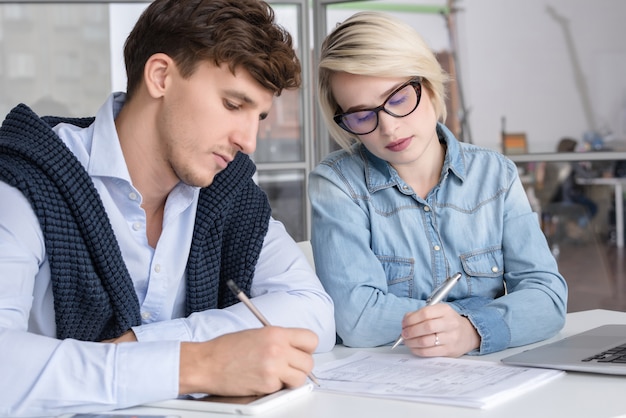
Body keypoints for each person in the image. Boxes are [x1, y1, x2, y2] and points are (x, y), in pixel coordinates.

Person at [0, 0, 335, 416]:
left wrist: (141, 347)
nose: (249, 142)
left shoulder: (226, 191)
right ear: (161, 76)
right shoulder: (25, 180)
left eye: (259, 116)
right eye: (233, 105)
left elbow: (313, 309)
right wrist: (199, 364)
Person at [309, 11, 566, 358]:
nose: (388, 128)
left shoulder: (495, 175)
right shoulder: (337, 183)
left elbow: (547, 298)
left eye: (398, 99)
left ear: (429, 86)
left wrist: (471, 331)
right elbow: (355, 319)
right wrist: (474, 321)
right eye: (362, 115)